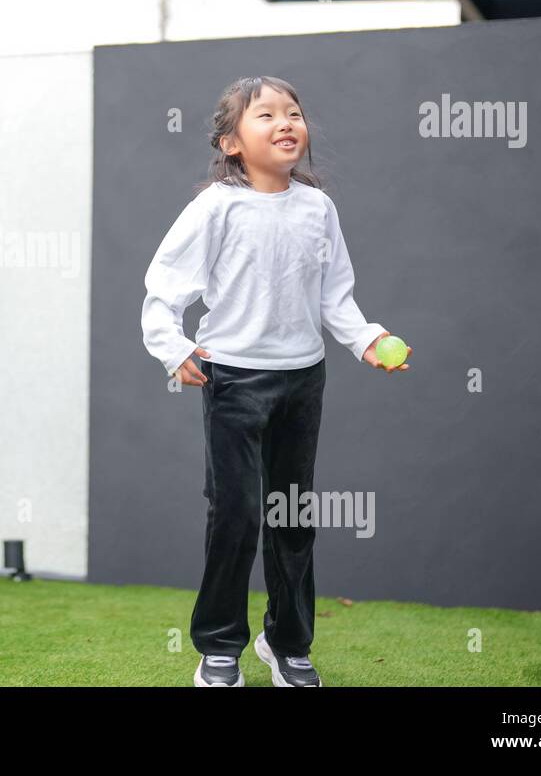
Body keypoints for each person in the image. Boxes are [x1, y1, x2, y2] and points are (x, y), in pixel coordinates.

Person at [140, 76, 412, 687]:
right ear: (231, 142)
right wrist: (172, 348)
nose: (286, 122)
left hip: (302, 381)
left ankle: (288, 643)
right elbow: (164, 288)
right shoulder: (216, 206)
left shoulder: (318, 208)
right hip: (233, 381)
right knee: (235, 515)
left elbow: (335, 295)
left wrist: (367, 339)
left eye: (293, 113)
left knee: (293, 517)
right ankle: (218, 646)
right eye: (265, 115)